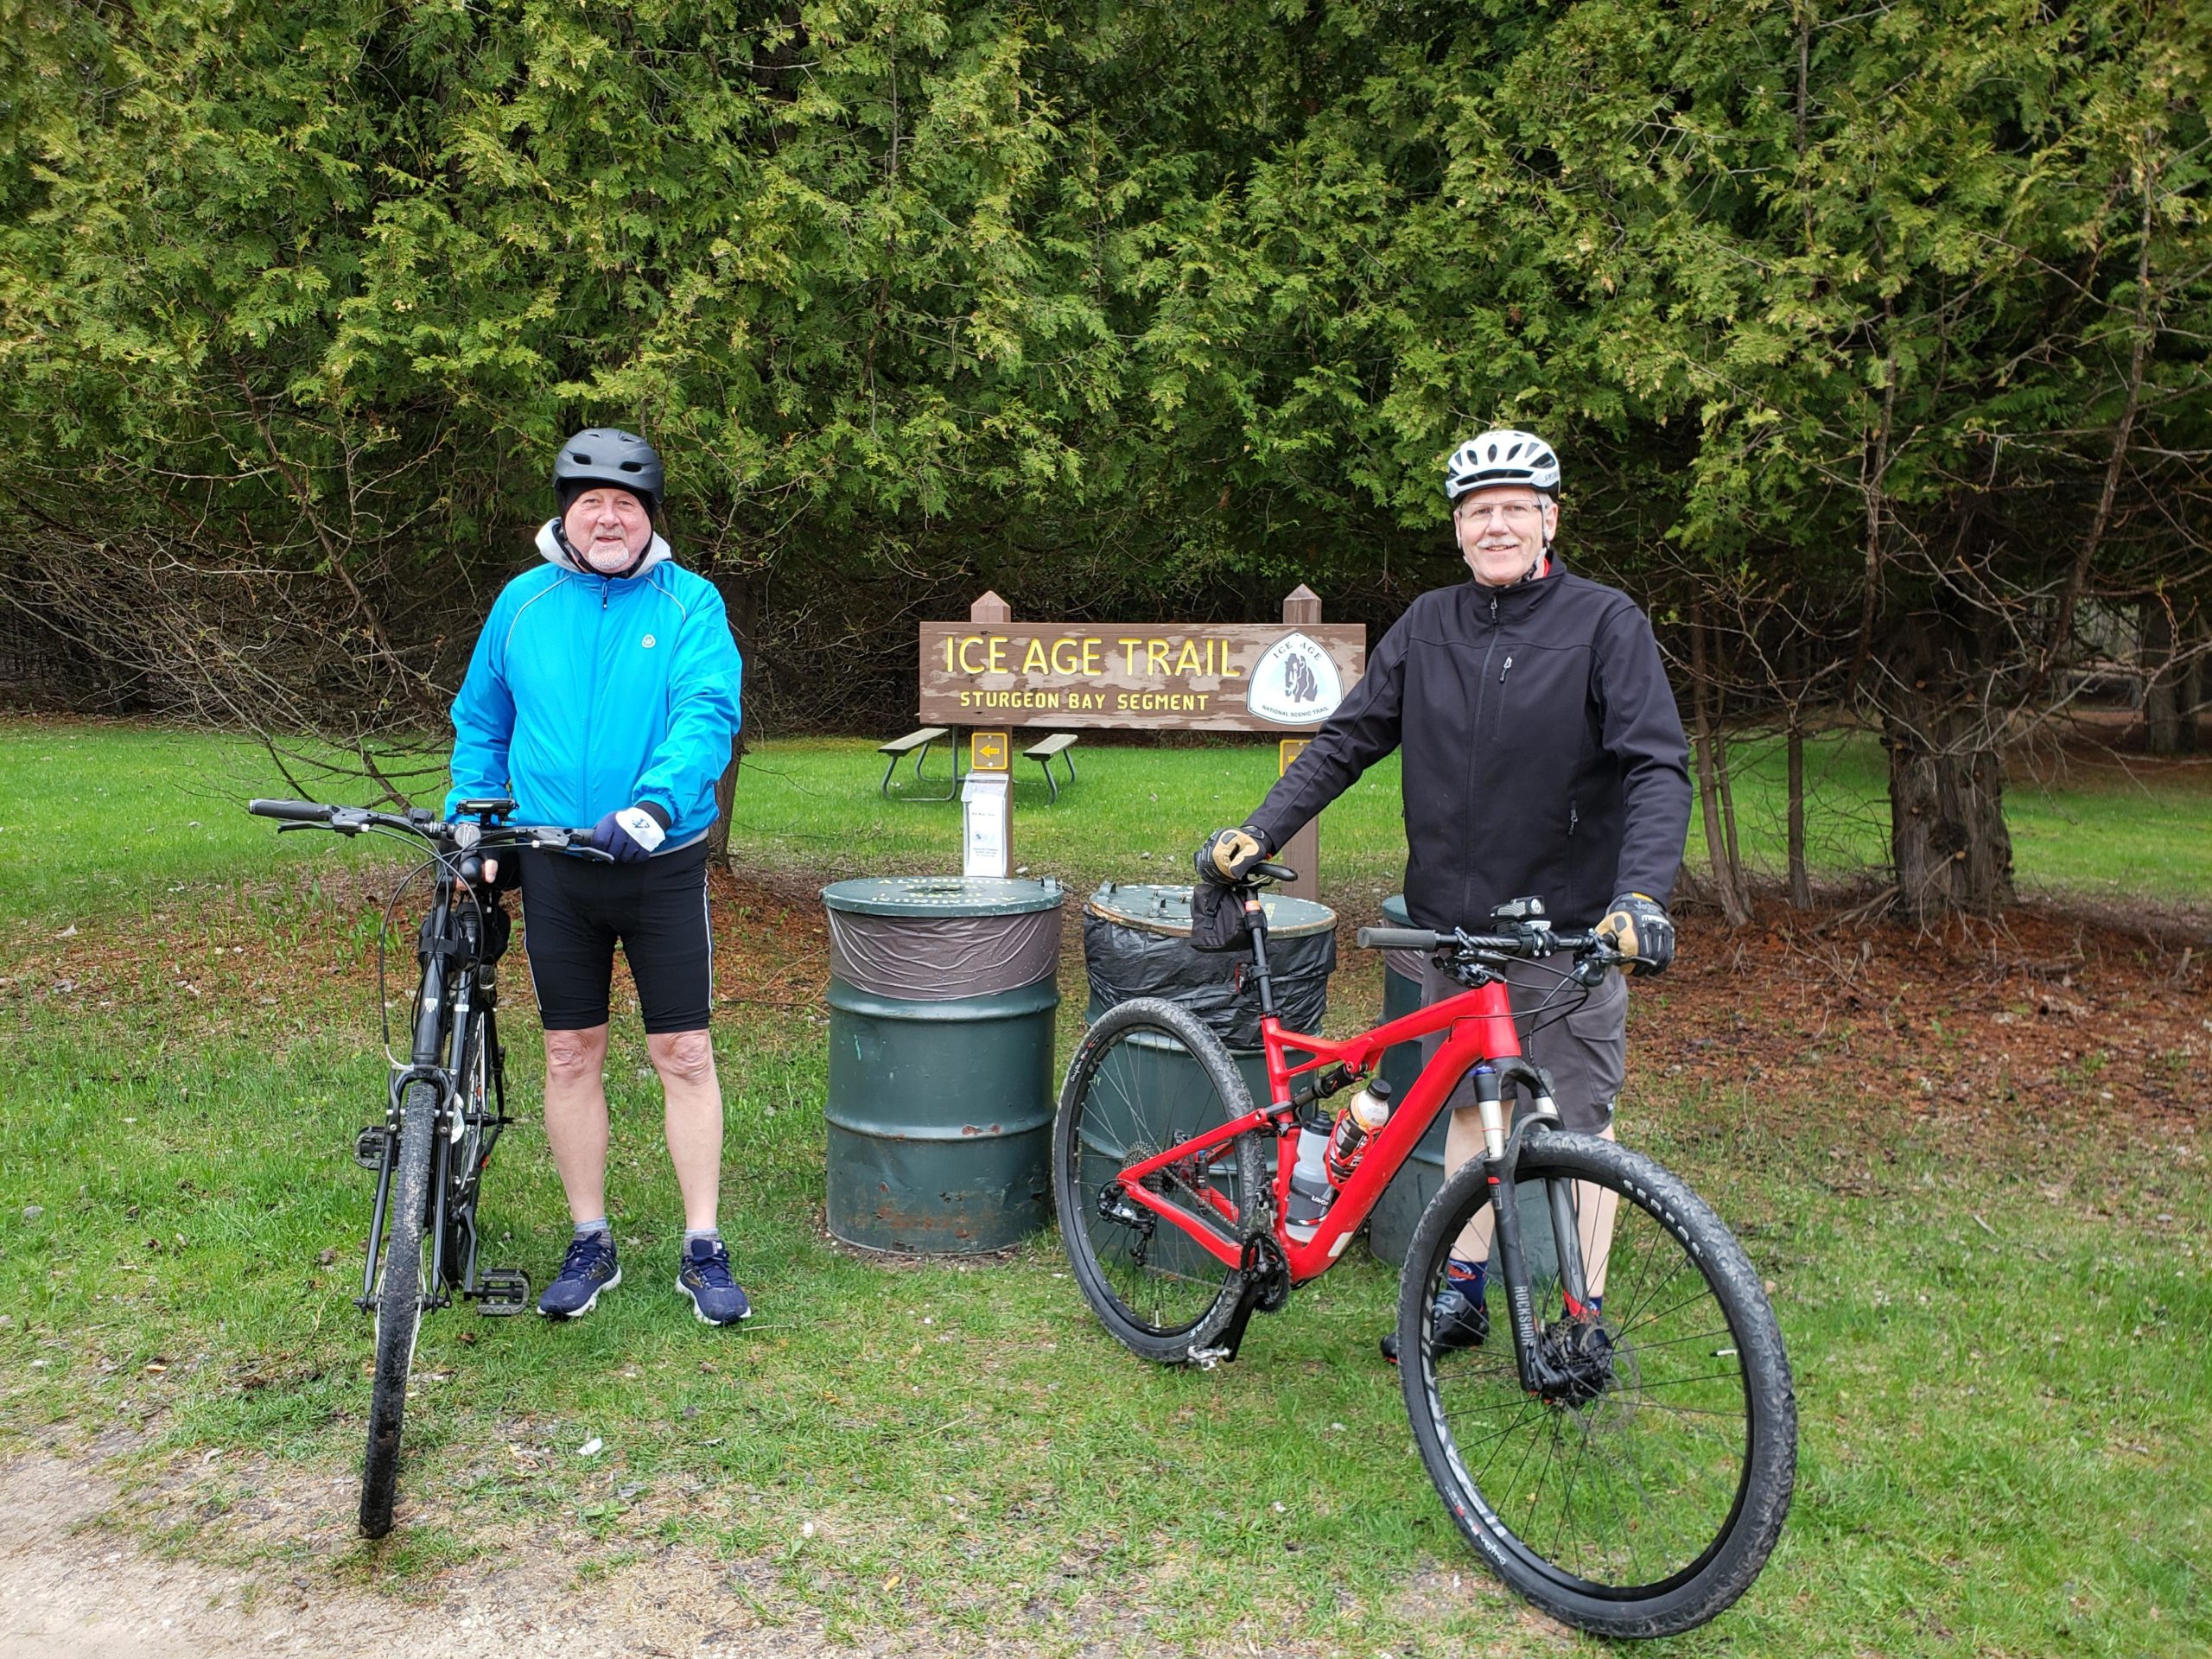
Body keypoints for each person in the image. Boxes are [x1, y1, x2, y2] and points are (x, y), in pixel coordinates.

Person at [1197, 428, 1692, 1361]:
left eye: (1513, 508)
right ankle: (1457, 1293)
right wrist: (1262, 828)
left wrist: (1642, 894)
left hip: (1563, 931)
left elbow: (1656, 767)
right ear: (1459, 531)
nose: (1495, 525)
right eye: (1477, 513)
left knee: (1580, 1124)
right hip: (1449, 928)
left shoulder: (1603, 623)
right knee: (1469, 1107)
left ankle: (1581, 1321)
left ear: (1548, 518)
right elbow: (1347, 740)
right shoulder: (1428, 623)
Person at [445, 428, 751, 1326]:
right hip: (554, 867)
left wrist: (654, 804)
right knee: (569, 1052)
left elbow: (706, 710)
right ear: (565, 516)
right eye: (592, 505)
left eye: (626, 505)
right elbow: (481, 718)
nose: (609, 518)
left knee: (682, 1053)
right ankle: (591, 1238)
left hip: (656, 863)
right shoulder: (522, 603)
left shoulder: (691, 603)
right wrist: (478, 812)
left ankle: (704, 1246)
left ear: (648, 518)